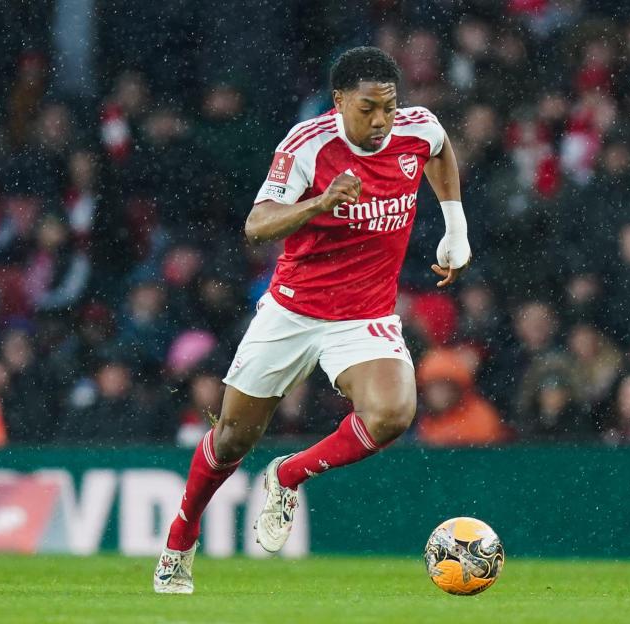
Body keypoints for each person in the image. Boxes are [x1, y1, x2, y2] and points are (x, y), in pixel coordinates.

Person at [154, 47, 471, 593]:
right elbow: (257, 225)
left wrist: (455, 226)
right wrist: (319, 203)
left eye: (389, 109)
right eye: (368, 108)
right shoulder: (308, 144)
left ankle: (288, 474)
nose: (380, 121)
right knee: (230, 439)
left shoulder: (418, 129)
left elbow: (440, 152)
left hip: (365, 315)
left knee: (394, 412)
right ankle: (180, 541)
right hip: (293, 312)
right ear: (340, 101)